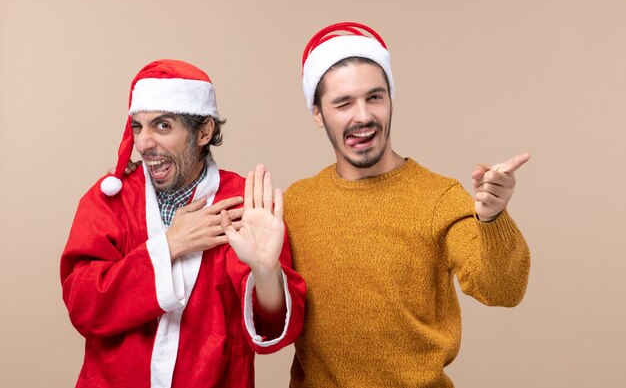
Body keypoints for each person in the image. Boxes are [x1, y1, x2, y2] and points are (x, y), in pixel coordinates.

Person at [283, 22, 531, 387]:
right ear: (318, 113)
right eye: (343, 103)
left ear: (390, 100)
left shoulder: (438, 197)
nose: (363, 115)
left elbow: (503, 291)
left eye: (375, 97)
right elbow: (267, 316)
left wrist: (492, 218)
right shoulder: (296, 204)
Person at [60, 59, 305, 388]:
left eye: (162, 126)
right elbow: (84, 305)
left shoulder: (242, 205)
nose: (144, 142)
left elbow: (271, 329)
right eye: (138, 126)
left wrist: (265, 270)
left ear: (203, 132)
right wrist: (170, 246)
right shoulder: (109, 201)